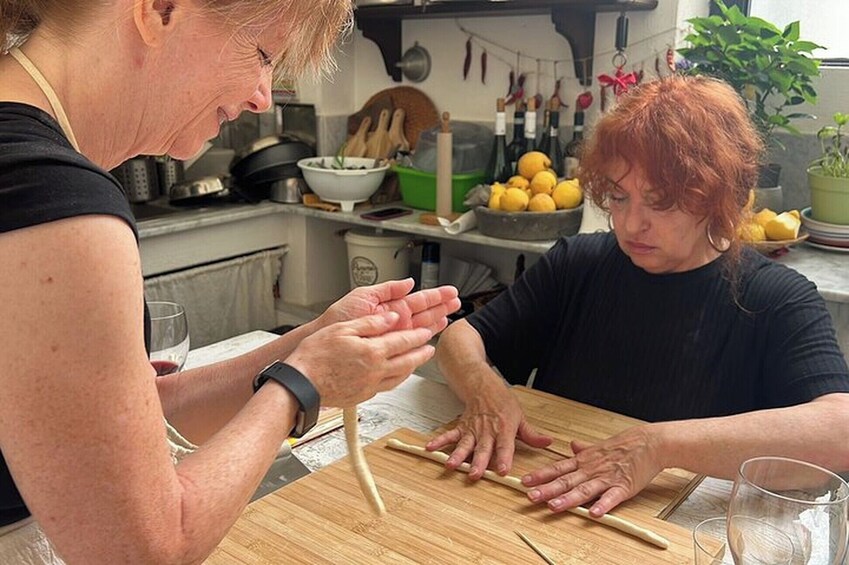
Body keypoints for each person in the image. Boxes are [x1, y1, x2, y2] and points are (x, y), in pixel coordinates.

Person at [0, 1, 460, 562]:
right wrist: (301, 386)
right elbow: (143, 549)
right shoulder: (51, 202)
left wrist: (309, 341)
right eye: (262, 55)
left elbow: (139, 410)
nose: (262, 96)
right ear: (160, 9)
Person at [430, 75, 849, 520]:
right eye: (619, 196)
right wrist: (486, 390)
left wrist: (660, 446)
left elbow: (839, 430)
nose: (631, 225)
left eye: (660, 202)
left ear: (717, 195)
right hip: (544, 511)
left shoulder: (777, 299)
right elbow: (460, 338)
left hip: (682, 532)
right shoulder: (577, 264)